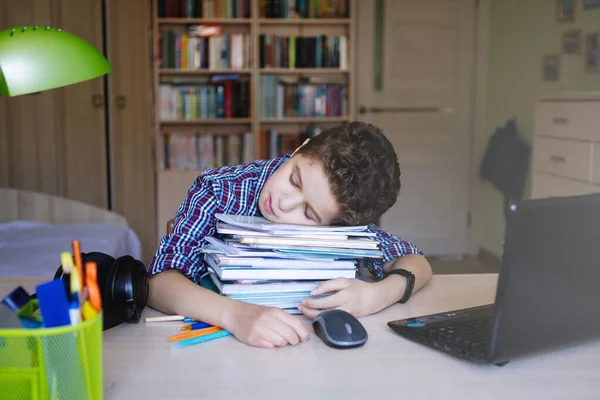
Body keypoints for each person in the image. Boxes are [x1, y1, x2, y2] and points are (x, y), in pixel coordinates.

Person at [147, 121, 433, 349]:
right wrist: (236, 316)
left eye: (309, 214)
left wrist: (378, 295)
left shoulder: (340, 221)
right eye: (294, 180)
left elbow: (417, 262)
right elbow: (159, 282)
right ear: (301, 149)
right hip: (215, 348)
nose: (284, 203)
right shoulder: (220, 189)